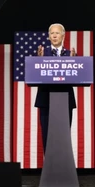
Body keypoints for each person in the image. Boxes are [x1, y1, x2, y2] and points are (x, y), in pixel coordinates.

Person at [34, 23, 77, 153]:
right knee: (47, 135)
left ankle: (63, 167)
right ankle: (49, 167)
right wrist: (38, 60)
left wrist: (74, 62)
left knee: (63, 136)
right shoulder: (41, 53)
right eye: (52, 33)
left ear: (63, 35)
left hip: (65, 100)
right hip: (45, 99)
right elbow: (34, 75)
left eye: (57, 33)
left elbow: (76, 76)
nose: (54, 35)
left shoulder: (70, 54)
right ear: (48, 36)